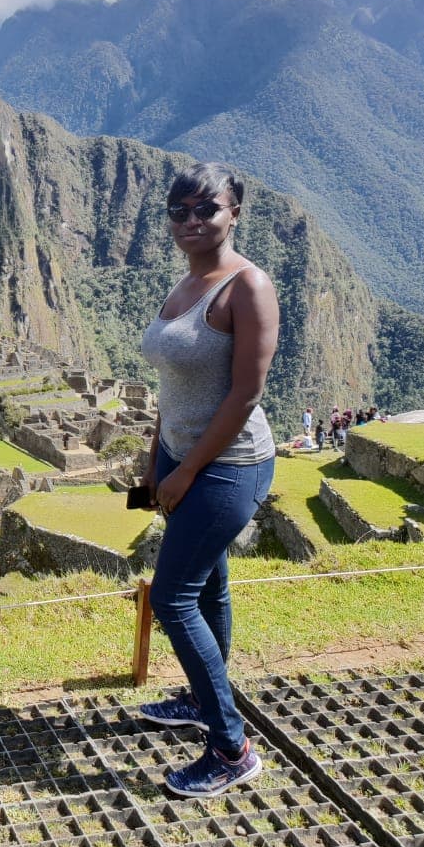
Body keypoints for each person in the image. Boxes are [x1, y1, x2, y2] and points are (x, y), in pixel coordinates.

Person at [137, 162, 278, 797]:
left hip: (230, 466)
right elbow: (175, 385)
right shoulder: (186, 284)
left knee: (171, 597)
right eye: (179, 212)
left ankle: (231, 748)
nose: (192, 221)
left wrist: (188, 469)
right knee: (209, 586)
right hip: (178, 456)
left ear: (234, 213)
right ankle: (202, 699)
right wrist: (156, 458)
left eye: (206, 210)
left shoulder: (248, 288)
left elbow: (246, 393)